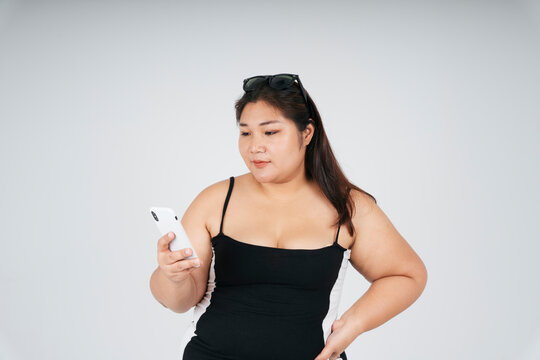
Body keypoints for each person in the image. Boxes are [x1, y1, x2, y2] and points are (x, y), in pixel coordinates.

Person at [149, 73, 428, 360]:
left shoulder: (348, 206)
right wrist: (172, 277)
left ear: (306, 133)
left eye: (270, 132)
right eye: (245, 132)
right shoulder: (216, 200)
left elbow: (407, 275)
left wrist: (352, 325)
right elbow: (179, 302)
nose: (254, 146)